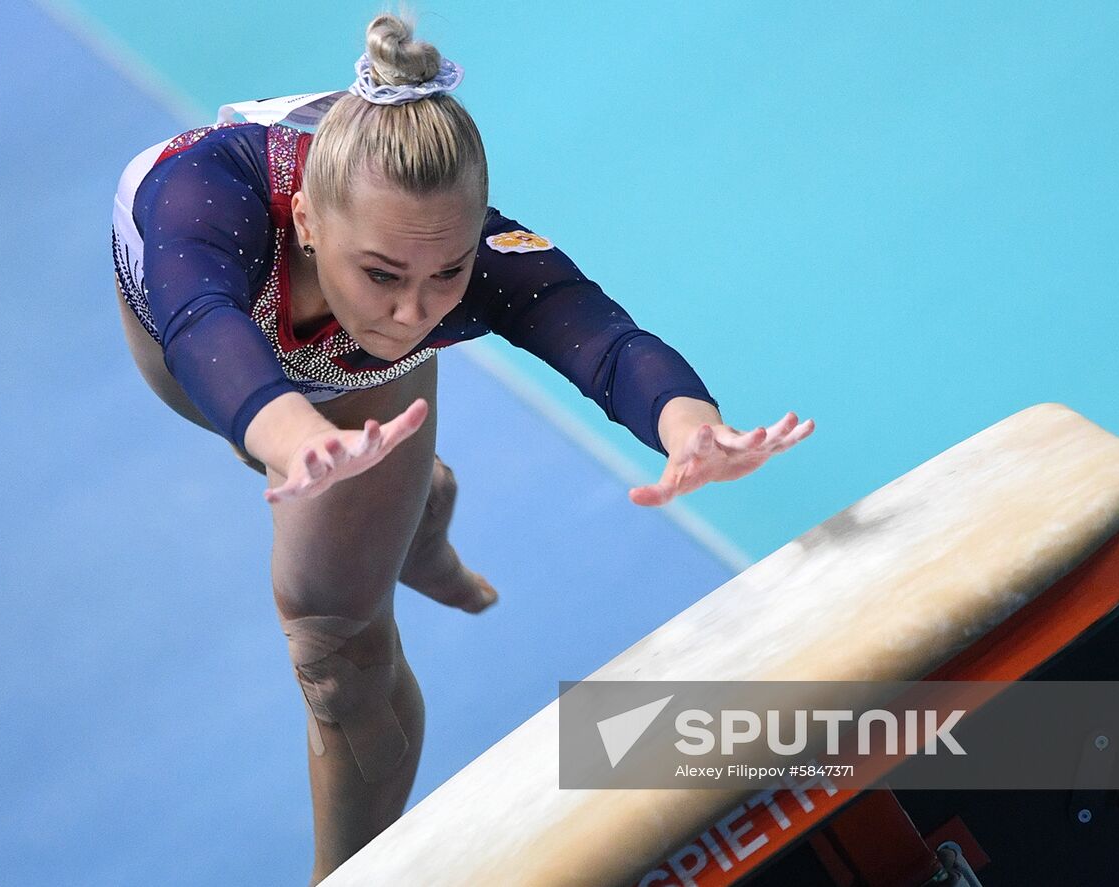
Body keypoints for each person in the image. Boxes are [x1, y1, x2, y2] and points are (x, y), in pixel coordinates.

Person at [110, 11, 814, 883]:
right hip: (216, 366)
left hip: (354, 384)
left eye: (447, 274)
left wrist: (691, 427)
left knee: (337, 655)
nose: (415, 312)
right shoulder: (199, 202)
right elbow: (201, 325)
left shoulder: (465, 266)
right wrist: (297, 441)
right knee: (283, 444)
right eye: (384, 272)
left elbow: (604, 339)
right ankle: (413, 500)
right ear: (308, 221)